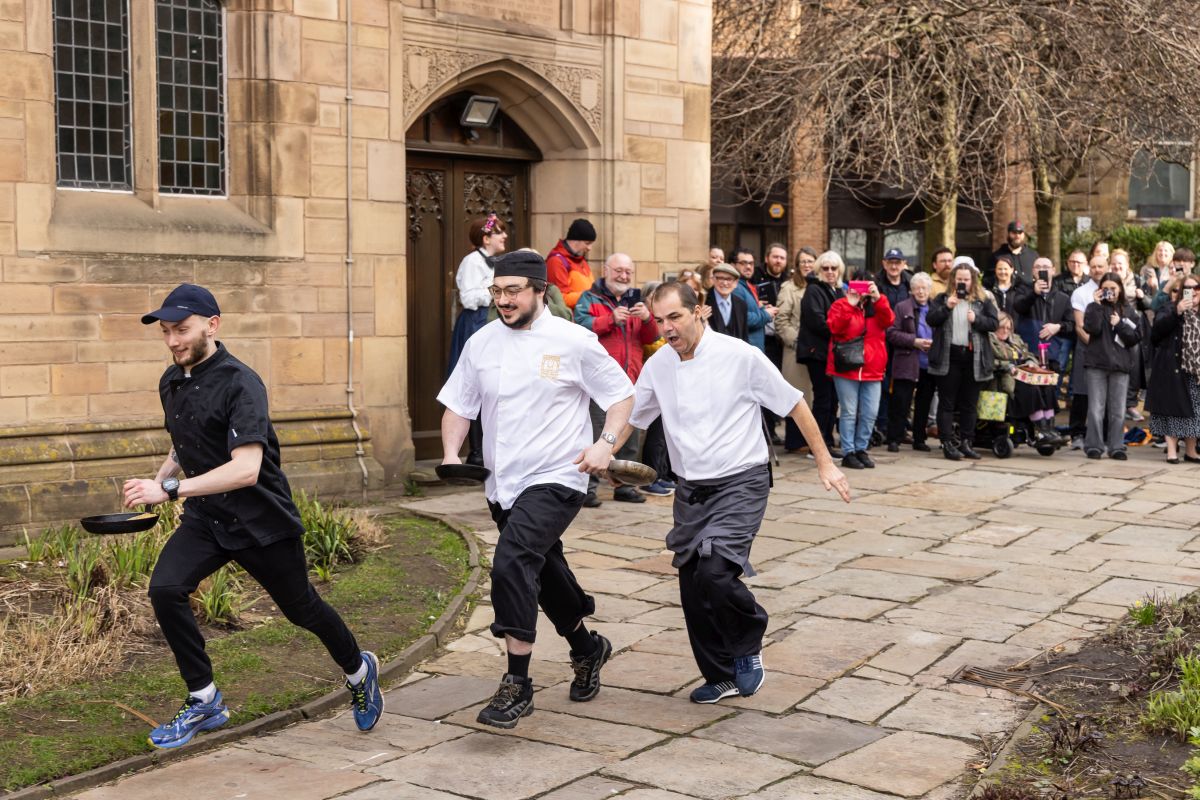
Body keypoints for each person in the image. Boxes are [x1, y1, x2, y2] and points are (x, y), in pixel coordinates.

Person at [124, 284, 383, 749]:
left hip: (260, 520)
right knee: (165, 589)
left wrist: (168, 490)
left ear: (212, 325)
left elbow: (246, 470)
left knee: (301, 609)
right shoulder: (172, 379)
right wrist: (160, 475)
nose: (173, 341)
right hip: (207, 517)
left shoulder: (242, 383)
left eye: (181, 330)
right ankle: (205, 700)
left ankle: (359, 671)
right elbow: (185, 441)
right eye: (165, 332)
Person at [618, 281, 850, 704]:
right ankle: (721, 674)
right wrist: (603, 452)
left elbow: (795, 404)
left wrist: (825, 462)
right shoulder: (659, 366)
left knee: (715, 571)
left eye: (675, 317)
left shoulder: (739, 356)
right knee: (692, 584)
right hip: (691, 489)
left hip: (742, 480)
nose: (667, 329)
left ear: (699, 311)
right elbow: (631, 417)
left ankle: (749, 638)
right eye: (659, 320)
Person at [438, 250, 634, 728]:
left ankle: (517, 684)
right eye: (497, 291)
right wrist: (449, 454)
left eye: (513, 291)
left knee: (512, 560)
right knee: (541, 571)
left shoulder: (574, 340)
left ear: (539, 291)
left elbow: (622, 396)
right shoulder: (481, 342)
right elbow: (459, 407)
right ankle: (588, 649)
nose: (503, 300)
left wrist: (605, 445)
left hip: (558, 476)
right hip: (503, 483)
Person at [574, 253, 661, 504]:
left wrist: (647, 318)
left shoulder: (637, 301)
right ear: (605, 270)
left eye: (628, 272)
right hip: (598, 383)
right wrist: (609, 320)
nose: (623, 276)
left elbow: (651, 337)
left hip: (630, 378)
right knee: (596, 433)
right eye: (618, 271)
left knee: (629, 436)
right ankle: (587, 488)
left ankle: (624, 486)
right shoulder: (589, 298)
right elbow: (578, 326)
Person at [450, 214, 508, 466]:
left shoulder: (501, 262)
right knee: (476, 381)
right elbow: (469, 297)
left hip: (495, 321)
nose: (504, 236)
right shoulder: (472, 262)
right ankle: (476, 451)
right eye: (499, 232)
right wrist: (494, 291)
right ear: (486, 238)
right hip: (476, 322)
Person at [927, 260, 1000, 460]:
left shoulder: (982, 300)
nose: (963, 283)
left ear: (972, 280)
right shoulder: (943, 298)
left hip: (973, 357)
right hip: (949, 356)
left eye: (966, 280)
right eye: (959, 279)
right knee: (947, 402)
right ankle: (947, 443)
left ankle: (967, 442)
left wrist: (977, 320)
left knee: (970, 403)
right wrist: (947, 308)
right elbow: (931, 319)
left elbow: (994, 323)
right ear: (953, 280)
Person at [826, 278, 894, 469]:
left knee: (870, 412)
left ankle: (861, 448)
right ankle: (849, 452)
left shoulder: (877, 305)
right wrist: (850, 305)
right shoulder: (841, 304)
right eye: (858, 286)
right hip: (847, 367)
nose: (862, 291)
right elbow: (835, 328)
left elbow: (888, 320)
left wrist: (878, 298)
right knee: (848, 412)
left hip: (873, 368)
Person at [1081, 272, 1142, 460]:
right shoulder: (1094, 307)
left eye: (1113, 288)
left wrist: (1120, 325)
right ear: (1100, 290)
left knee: (1117, 410)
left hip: (1120, 366)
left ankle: (1117, 446)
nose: (1110, 292)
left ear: (1120, 289)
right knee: (1095, 409)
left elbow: (1135, 338)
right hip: (1097, 364)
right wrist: (1096, 305)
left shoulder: (1128, 310)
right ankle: (1094, 445)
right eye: (1105, 289)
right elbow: (1092, 328)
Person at [797, 251, 847, 457]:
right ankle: (817, 448)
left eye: (833, 268)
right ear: (818, 270)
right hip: (817, 353)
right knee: (823, 400)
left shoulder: (837, 291)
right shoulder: (814, 290)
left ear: (839, 271)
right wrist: (842, 330)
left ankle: (827, 441)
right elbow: (818, 321)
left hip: (831, 353)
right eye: (825, 268)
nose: (829, 272)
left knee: (832, 400)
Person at [987, 313, 1064, 446]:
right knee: (1031, 388)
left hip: (1024, 377)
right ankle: (1040, 430)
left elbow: (1029, 354)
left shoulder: (1015, 339)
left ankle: (1049, 429)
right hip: (1005, 381)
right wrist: (1008, 366)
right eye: (1002, 327)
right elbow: (989, 362)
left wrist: (1030, 362)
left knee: (1047, 386)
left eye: (1008, 328)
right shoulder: (989, 340)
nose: (1005, 331)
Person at [1147, 273, 1200, 464]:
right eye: (1188, 288)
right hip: (1173, 367)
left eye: (1197, 288)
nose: (1192, 292)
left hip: (1196, 371)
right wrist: (1177, 312)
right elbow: (1156, 333)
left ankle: (1191, 451)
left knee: (1195, 411)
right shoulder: (1169, 308)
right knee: (1173, 411)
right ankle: (1171, 451)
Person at [887, 272, 936, 452]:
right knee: (901, 402)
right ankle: (894, 438)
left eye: (924, 288)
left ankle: (919, 439)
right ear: (911, 290)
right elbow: (891, 333)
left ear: (929, 290)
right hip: (907, 361)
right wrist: (914, 341)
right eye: (917, 288)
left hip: (929, 364)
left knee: (924, 403)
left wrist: (934, 344)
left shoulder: (935, 308)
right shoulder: (902, 307)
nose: (921, 291)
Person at [1068, 255, 1112, 449]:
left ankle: (1105, 435)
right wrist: (1096, 347)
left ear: (1107, 267)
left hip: (1110, 352)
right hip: (1086, 349)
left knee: (1108, 395)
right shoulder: (1080, 293)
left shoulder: (1115, 290)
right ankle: (1077, 433)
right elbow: (1079, 326)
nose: (1097, 270)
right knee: (1082, 391)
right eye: (1093, 266)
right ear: (1088, 268)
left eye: (1100, 266)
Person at [775, 253, 815, 452]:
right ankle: (795, 441)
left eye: (810, 261)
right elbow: (781, 321)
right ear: (797, 265)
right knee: (797, 396)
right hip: (796, 351)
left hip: (818, 352)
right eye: (803, 261)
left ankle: (811, 441)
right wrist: (799, 342)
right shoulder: (789, 288)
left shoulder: (820, 286)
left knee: (814, 398)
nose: (807, 265)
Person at [1013, 256, 1074, 375]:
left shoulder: (1063, 298)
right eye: (1038, 267)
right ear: (1033, 271)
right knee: (1029, 392)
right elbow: (1019, 307)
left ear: (1053, 270)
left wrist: (1058, 327)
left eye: (1046, 267)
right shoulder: (1023, 290)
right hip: (1028, 355)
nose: (1042, 270)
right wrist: (1034, 294)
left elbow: (1071, 324)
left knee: (1051, 391)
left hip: (1052, 354)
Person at [546, 218, 597, 310]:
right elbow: (559, 299)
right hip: (569, 320)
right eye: (587, 243)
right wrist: (590, 295)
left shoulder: (580, 259)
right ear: (575, 240)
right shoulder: (556, 261)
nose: (590, 248)